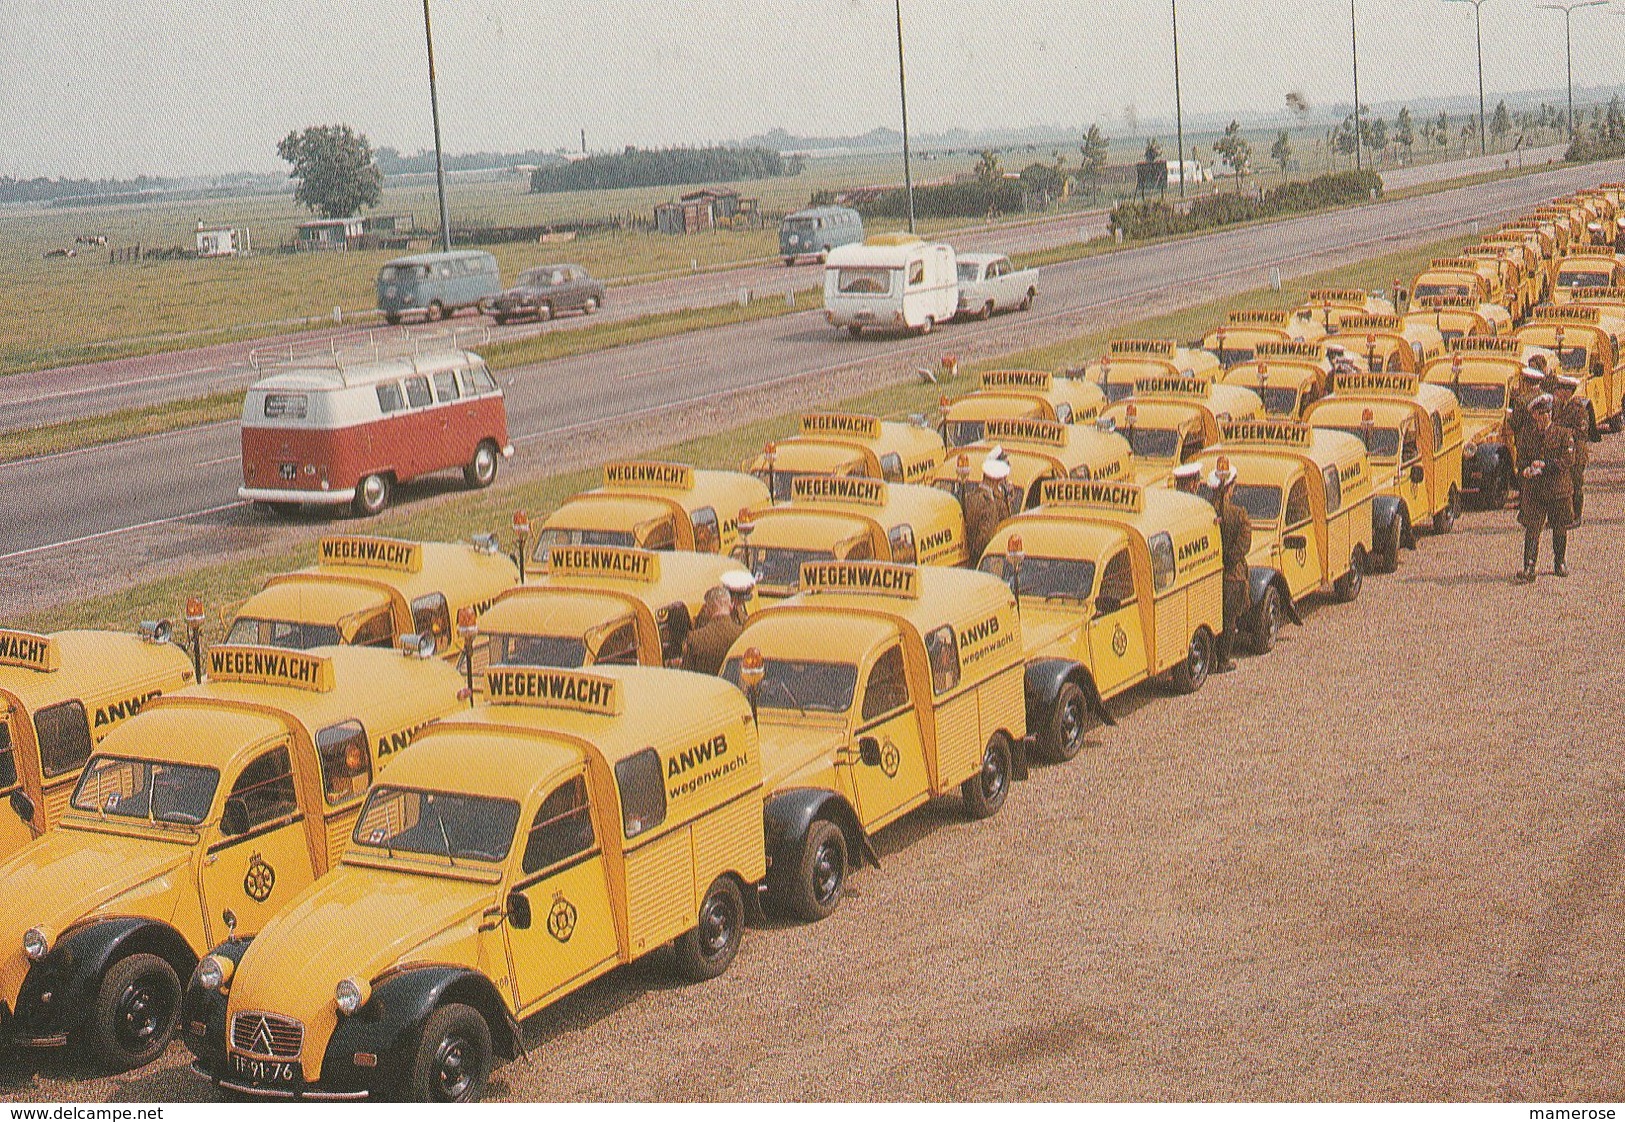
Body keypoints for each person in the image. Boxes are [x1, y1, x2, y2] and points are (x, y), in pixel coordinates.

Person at [1516, 394, 1576, 582]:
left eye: (1547, 413)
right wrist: (1525, 469)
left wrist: (1545, 465)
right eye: (1540, 414)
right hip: (1535, 490)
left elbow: (1568, 460)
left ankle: (1559, 561)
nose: (1544, 417)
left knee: (1559, 526)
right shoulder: (1527, 434)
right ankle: (1529, 567)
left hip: (1557, 489)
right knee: (1532, 528)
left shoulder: (1563, 434)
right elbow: (1521, 458)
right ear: (1534, 415)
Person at [1208, 456, 1251, 672]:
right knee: (1229, 619)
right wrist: (1228, 560)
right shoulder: (1239, 514)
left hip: (1212, 575)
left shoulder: (1208, 511)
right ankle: (1223, 660)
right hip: (1232, 576)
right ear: (1230, 487)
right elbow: (1244, 545)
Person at [964, 454, 1019, 561]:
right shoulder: (987, 504)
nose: (1005, 480)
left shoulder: (971, 497)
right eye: (1003, 477)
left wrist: (1005, 499)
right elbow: (988, 539)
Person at [1551, 374, 1590, 524]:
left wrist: (1562, 432)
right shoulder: (1559, 406)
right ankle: (1564, 516)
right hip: (1564, 452)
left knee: (1576, 484)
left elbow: (1581, 431)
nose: (1556, 392)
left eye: (1559, 389)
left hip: (1577, 452)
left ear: (1568, 391)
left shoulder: (1578, 408)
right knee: (1562, 486)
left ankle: (1576, 516)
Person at [680, 586, 743, 675]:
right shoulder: (742, 634)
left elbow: (686, 676)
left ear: (708, 609)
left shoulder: (695, 639)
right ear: (730, 606)